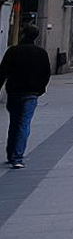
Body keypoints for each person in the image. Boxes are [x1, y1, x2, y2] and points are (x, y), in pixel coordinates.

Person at [0, 25, 51, 169]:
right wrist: (40, 89)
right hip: (31, 93)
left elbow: (2, 72)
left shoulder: (13, 51)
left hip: (15, 92)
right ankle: (17, 157)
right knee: (24, 123)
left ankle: (11, 154)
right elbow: (46, 73)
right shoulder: (41, 53)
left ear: (22, 34)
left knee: (14, 122)